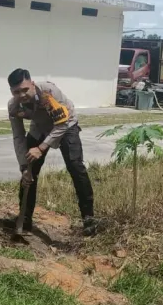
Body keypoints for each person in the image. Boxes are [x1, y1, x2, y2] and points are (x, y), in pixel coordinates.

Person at [6, 68, 96, 236]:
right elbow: (18, 137)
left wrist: (41, 147)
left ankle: (89, 218)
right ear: (11, 91)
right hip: (39, 128)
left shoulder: (48, 92)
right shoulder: (13, 106)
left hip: (66, 125)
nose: (22, 95)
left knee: (75, 166)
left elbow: (61, 124)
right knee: (29, 171)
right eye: (17, 92)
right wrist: (24, 167)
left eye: (25, 89)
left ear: (32, 84)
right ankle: (24, 218)